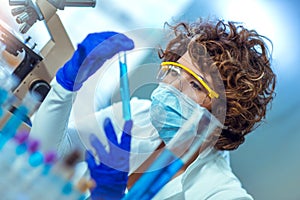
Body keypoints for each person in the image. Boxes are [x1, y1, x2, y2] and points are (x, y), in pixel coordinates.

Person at [30, 17, 276, 199]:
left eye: (195, 84)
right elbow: (46, 153)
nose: (172, 87)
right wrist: (65, 87)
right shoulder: (137, 115)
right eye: (174, 70)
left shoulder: (221, 194)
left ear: (228, 114)